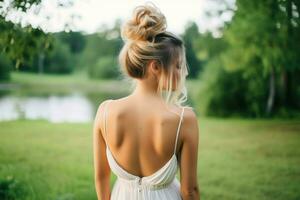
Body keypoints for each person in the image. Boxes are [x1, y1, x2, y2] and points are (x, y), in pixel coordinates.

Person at [93, 2, 200, 200]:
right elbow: (189, 190)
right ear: (155, 67)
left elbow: (101, 177)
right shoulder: (185, 119)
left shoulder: (105, 112)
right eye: (178, 65)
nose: (184, 72)